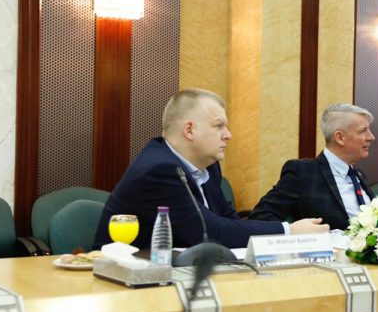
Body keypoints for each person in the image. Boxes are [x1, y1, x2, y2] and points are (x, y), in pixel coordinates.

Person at [92, 89, 328, 250]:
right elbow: (207, 232)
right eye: (218, 126)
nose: (228, 135)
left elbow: (228, 220)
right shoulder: (159, 170)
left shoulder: (208, 165)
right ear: (189, 130)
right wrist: (288, 232)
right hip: (129, 283)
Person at [248, 103, 376, 229]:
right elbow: (261, 217)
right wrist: (294, 231)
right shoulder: (303, 172)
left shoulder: (359, 175)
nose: (371, 137)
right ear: (340, 138)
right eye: (363, 131)